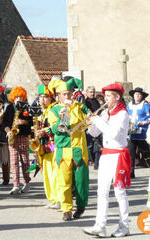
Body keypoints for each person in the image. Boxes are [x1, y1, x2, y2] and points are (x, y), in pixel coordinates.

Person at [83, 83, 131, 237]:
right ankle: (100, 225)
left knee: (119, 192)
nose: (105, 99)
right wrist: (89, 123)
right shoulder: (106, 113)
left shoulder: (122, 113)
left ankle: (124, 226)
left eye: (109, 96)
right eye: (105, 96)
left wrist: (97, 121)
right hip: (106, 155)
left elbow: (113, 133)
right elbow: (96, 133)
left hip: (118, 155)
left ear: (117, 97)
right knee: (101, 191)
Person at [48, 78, 89, 221]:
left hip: (79, 148)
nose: (67, 97)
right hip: (62, 150)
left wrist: (89, 116)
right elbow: (56, 130)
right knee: (63, 182)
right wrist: (62, 118)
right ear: (58, 96)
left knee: (81, 182)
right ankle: (66, 209)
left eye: (69, 93)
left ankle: (81, 207)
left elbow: (89, 118)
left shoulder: (80, 106)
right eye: (64, 94)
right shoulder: (53, 110)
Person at [31, 84, 59, 208]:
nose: (42, 100)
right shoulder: (42, 111)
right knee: (47, 172)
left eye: (45, 97)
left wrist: (45, 131)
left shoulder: (54, 109)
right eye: (41, 97)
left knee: (55, 172)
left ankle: (58, 199)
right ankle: (51, 198)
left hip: (53, 145)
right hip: (44, 145)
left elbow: (57, 126)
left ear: (51, 98)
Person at [4, 86, 32, 194]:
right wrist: (8, 131)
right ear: (13, 98)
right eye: (16, 97)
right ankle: (15, 185)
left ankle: (27, 183)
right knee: (14, 162)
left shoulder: (26, 108)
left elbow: (31, 121)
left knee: (25, 161)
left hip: (23, 136)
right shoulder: (10, 108)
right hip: (12, 137)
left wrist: (23, 122)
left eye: (20, 97)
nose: (18, 99)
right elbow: (5, 123)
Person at [127, 87, 150, 178]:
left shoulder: (146, 105)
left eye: (139, 95)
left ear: (142, 96)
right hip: (131, 133)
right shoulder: (129, 105)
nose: (137, 96)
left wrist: (143, 122)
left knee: (146, 153)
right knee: (131, 154)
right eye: (136, 95)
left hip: (142, 133)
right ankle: (131, 173)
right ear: (133, 96)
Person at [84, 86, 101, 167]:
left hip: (97, 123)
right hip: (89, 124)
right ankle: (90, 160)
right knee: (89, 143)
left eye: (93, 92)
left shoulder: (96, 101)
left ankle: (95, 160)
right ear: (87, 93)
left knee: (96, 143)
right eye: (90, 92)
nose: (92, 93)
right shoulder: (85, 102)